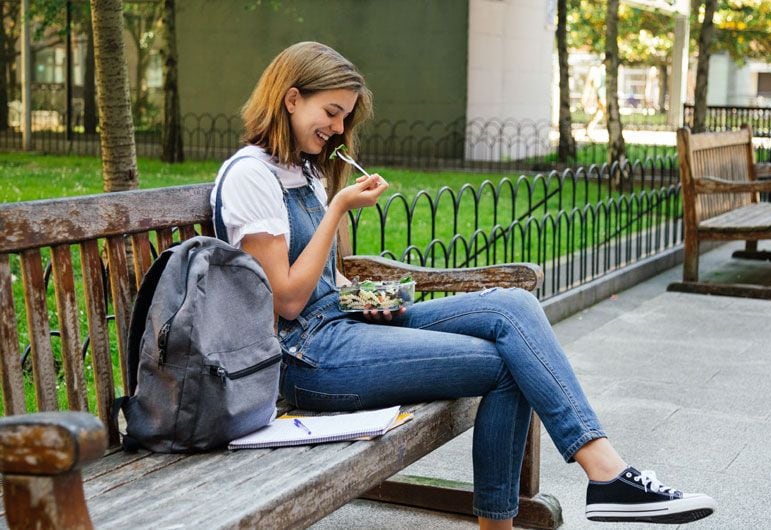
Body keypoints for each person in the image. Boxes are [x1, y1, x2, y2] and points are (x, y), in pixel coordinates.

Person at [211, 41, 717, 529]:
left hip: (344, 321)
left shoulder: (302, 170)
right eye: (333, 112)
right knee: (507, 365)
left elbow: (328, 280)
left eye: (345, 116)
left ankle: (605, 470)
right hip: (305, 358)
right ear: (291, 97)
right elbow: (289, 298)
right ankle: (594, 483)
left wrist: (380, 298)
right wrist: (339, 209)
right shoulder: (250, 177)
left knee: (511, 306)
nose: (340, 129)